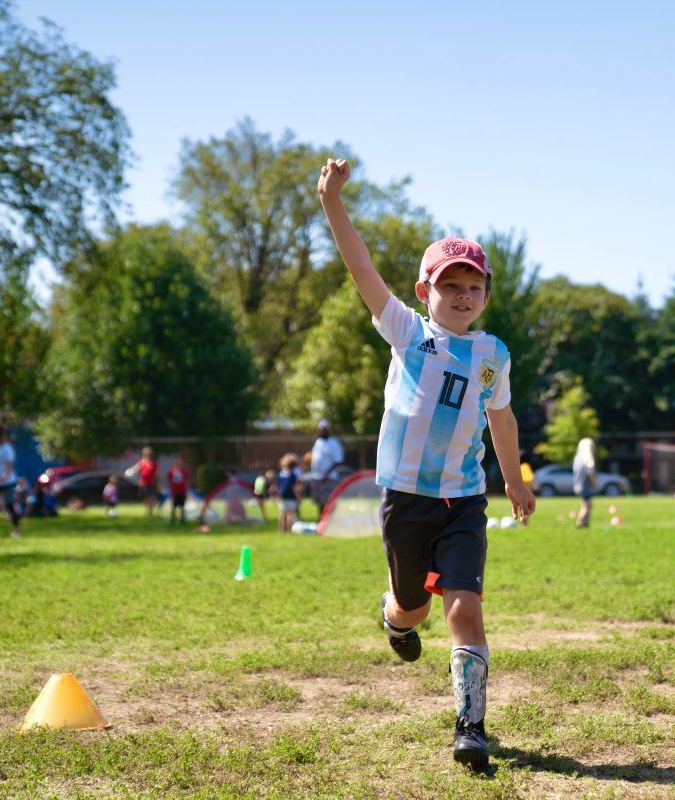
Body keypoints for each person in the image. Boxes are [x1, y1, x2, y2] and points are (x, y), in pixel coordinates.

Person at [319, 157, 536, 772]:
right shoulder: (406, 332)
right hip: (406, 499)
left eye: (474, 287)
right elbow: (359, 264)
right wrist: (333, 200)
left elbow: (502, 417)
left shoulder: (494, 354)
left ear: (487, 294)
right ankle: (394, 613)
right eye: (450, 285)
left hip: (464, 501)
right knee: (413, 608)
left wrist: (514, 479)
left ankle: (471, 727)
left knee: (465, 607)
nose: (462, 296)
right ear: (425, 292)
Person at [309, 419, 344, 515]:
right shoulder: (318, 442)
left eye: (324, 429)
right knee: (319, 502)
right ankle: (321, 520)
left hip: (328, 478)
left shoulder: (333, 443)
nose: (322, 431)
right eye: (320, 429)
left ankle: (329, 521)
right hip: (317, 477)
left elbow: (337, 461)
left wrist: (326, 474)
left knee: (329, 501)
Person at [572, 438, 597, 529]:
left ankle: (586, 523)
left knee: (585, 504)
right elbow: (590, 472)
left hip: (578, 484)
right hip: (586, 485)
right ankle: (580, 522)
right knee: (587, 506)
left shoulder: (577, 457)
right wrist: (594, 483)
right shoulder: (588, 457)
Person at [127, 447, 158, 517]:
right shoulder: (142, 462)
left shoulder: (153, 464)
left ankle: (151, 511)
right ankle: (148, 511)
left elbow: (156, 475)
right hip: (143, 484)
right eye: (146, 454)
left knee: (152, 498)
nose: (148, 456)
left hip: (151, 484)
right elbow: (135, 468)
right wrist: (130, 471)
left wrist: (157, 484)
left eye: (150, 454)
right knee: (145, 498)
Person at [276, 453, 302, 533]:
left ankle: (281, 529)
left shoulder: (280, 474)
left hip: (282, 496)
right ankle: (289, 529)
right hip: (291, 497)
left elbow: (278, 486)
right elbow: (293, 487)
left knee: (282, 513)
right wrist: (298, 497)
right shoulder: (292, 475)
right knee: (290, 514)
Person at [167, 456, 190, 524]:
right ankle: (173, 519)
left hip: (182, 491)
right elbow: (170, 482)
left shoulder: (184, 471)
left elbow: (186, 482)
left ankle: (182, 519)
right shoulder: (171, 471)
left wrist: (186, 491)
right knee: (174, 506)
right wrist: (171, 491)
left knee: (182, 506)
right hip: (175, 491)